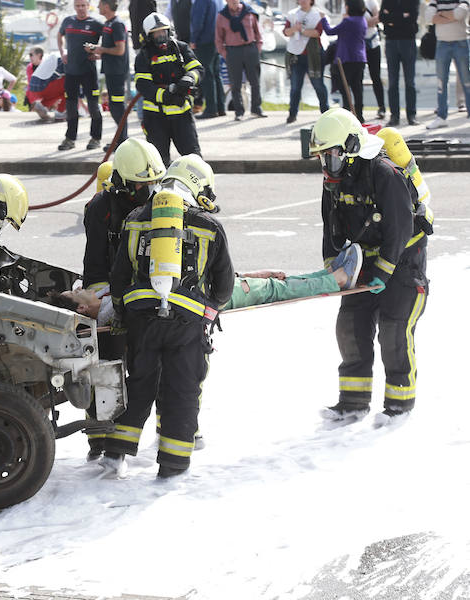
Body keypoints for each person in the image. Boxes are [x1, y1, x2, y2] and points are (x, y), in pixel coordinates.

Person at [105, 153, 234, 478]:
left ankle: (116, 454)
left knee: (138, 385)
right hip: (186, 322)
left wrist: (124, 311)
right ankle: (173, 466)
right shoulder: (209, 226)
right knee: (181, 391)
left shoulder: (135, 218)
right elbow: (224, 286)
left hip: (141, 320)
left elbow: (119, 277)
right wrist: (207, 314)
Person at [309, 107, 429, 425]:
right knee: (350, 326)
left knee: (393, 330)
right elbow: (329, 229)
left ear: (349, 148)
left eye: (330, 155)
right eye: (322, 157)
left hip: (402, 260)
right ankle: (352, 403)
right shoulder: (332, 183)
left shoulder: (384, 174)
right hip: (363, 260)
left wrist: (383, 271)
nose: (325, 164)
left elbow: (400, 230)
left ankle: (399, 407)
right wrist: (331, 270)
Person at [80, 138, 166, 459]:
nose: (149, 192)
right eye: (141, 186)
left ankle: (163, 430)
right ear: (121, 183)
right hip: (107, 294)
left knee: (152, 368)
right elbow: (95, 266)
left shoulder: (160, 203)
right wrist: (111, 306)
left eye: (153, 184)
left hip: (144, 295)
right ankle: (100, 441)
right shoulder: (101, 208)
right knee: (105, 368)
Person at [64, 244, 363, 320]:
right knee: (276, 289)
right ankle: (338, 279)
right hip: (207, 296)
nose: (83, 291)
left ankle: (327, 276)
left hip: (204, 284)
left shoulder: (105, 297)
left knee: (276, 280)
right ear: (81, 311)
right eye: (79, 295)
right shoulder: (109, 309)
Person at [134, 12, 204, 165]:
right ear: (148, 35)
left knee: (194, 159)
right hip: (155, 118)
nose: (161, 35)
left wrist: (189, 78)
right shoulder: (144, 56)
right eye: (156, 33)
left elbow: (198, 69)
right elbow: (143, 85)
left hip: (182, 114)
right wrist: (165, 95)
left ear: (169, 31)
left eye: (163, 31)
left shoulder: (181, 48)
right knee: (158, 163)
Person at [57, 0, 103, 151]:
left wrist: (99, 54)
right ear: (74, 6)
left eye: (83, 5)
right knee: (71, 106)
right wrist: (62, 51)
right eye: (78, 5)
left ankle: (95, 138)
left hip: (89, 71)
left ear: (88, 6)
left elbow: (110, 42)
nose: (81, 8)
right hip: (71, 71)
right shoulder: (68, 21)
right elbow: (59, 35)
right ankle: (70, 139)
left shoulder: (96, 23)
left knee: (93, 106)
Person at [88, 0, 129, 150]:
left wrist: (100, 49)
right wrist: (99, 55)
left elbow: (120, 50)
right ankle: (121, 140)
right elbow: (112, 51)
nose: (97, 7)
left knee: (117, 107)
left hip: (117, 73)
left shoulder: (117, 24)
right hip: (112, 71)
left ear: (106, 6)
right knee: (114, 106)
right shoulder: (109, 24)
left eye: (99, 5)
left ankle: (123, 141)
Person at [216, 0, 265, 120]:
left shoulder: (249, 12)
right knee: (235, 84)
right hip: (233, 52)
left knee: (255, 82)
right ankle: (239, 112)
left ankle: (256, 109)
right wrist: (225, 54)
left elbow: (258, 33)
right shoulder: (221, 16)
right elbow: (218, 38)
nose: (233, 1)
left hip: (250, 49)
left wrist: (257, 48)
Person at [425, 0, 470, 129]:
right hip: (442, 43)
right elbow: (429, 17)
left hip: (461, 42)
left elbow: (461, 13)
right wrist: (452, 16)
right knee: (441, 82)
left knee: (466, 81)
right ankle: (441, 116)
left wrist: (441, 14)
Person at [321, 0, 368, 122]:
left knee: (345, 90)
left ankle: (348, 114)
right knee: (357, 88)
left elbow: (330, 31)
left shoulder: (348, 21)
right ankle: (360, 115)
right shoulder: (362, 20)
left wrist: (323, 19)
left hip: (346, 59)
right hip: (360, 58)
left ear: (348, 7)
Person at [283, 0, 329, 124]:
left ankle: (325, 112)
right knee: (295, 87)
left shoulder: (317, 14)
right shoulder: (292, 14)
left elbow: (318, 32)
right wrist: (294, 29)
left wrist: (302, 30)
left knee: (318, 85)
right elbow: (286, 32)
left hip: (313, 56)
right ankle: (292, 113)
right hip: (296, 55)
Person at [380, 0, 419, 126]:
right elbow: (382, 17)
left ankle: (411, 115)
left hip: (408, 41)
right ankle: (394, 116)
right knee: (392, 82)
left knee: (410, 82)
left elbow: (412, 17)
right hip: (391, 42)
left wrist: (392, 19)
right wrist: (402, 16)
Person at [190, 0, 226, 120]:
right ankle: (221, 107)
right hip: (214, 39)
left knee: (207, 74)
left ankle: (211, 109)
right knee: (216, 74)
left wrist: (193, 39)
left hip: (204, 41)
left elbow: (198, 20)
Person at [27, 49, 67, 120]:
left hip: (34, 88)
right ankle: (61, 112)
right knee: (70, 84)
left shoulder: (60, 53)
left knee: (63, 88)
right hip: (42, 86)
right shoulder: (66, 57)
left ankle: (42, 105)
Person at [362, 0, 386, 120]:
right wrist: (366, 23)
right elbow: (347, 19)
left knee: (375, 76)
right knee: (357, 78)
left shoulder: (371, 2)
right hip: (358, 44)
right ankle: (357, 109)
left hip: (373, 43)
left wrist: (361, 23)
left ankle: (382, 107)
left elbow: (377, 18)